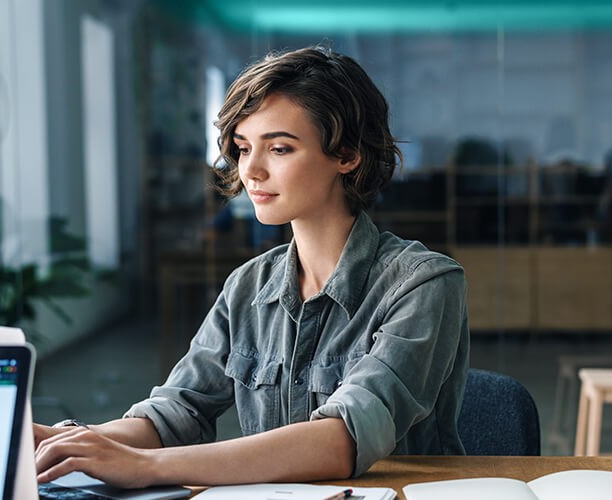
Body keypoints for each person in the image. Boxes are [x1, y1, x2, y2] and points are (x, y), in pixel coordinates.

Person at [34, 45, 470, 488]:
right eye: (243, 149)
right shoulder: (246, 286)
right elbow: (176, 413)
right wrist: (61, 443)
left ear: (347, 155)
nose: (251, 171)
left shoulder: (425, 283)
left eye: (279, 148)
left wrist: (143, 467)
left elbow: (342, 439)